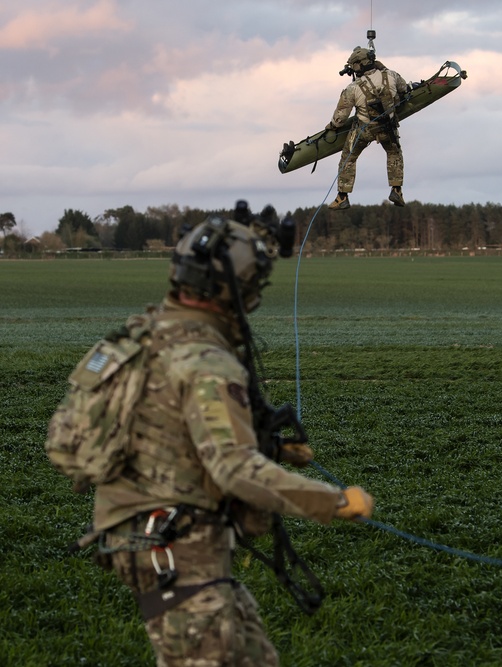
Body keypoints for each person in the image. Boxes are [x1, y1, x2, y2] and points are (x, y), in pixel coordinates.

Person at [51, 207, 374, 665]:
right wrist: (335, 501)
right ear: (238, 288)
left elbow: (165, 426)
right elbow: (234, 467)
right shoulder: (205, 360)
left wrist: (275, 446)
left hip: (146, 539)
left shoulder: (145, 334)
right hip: (177, 549)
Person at [327, 46, 410, 210]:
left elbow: (340, 118)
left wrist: (332, 127)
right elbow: (404, 90)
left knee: (348, 158)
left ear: (357, 66)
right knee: (394, 153)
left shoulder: (353, 88)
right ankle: (396, 190)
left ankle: (342, 197)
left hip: (363, 130)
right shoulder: (391, 75)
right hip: (388, 127)